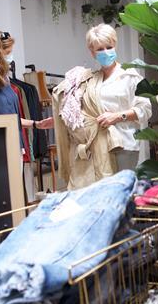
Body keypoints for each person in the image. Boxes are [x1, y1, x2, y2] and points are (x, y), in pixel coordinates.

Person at [52, 24, 152, 189]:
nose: (105, 52)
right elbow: (79, 109)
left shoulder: (130, 76)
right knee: (101, 193)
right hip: (97, 147)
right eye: (100, 49)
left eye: (109, 47)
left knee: (121, 191)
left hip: (123, 144)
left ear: (115, 46)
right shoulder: (91, 80)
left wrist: (118, 117)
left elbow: (145, 109)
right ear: (92, 52)